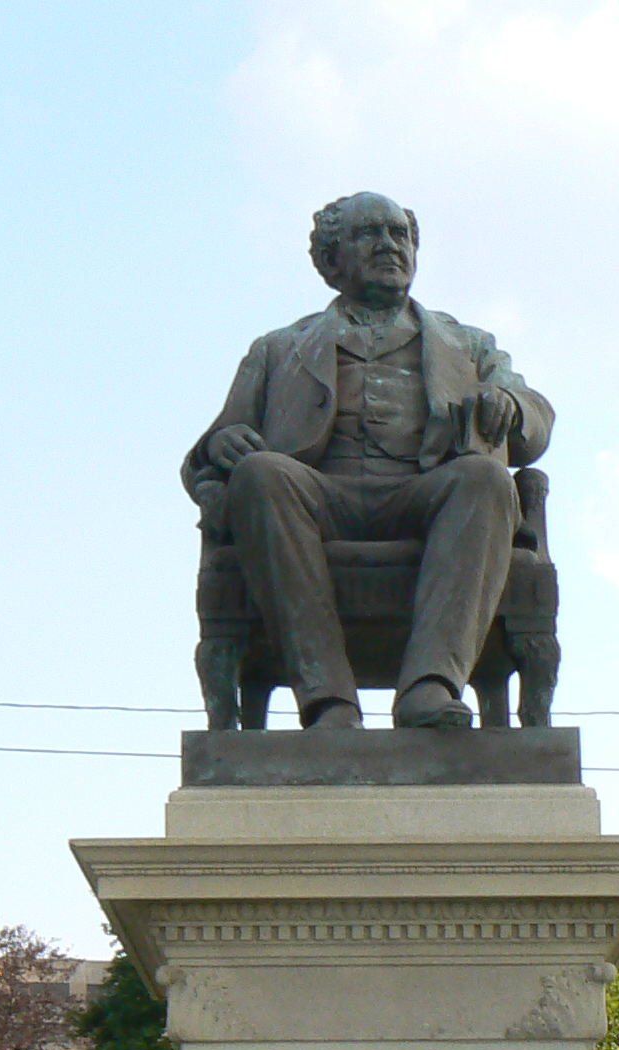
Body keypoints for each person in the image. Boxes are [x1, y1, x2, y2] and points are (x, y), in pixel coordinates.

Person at [182, 191, 553, 730]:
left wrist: (511, 406)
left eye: (399, 234)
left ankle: (431, 686)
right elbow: (209, 452)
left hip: (423, 494)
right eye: (369, 234)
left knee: (484, 477)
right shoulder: (278, 349)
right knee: (261, 473)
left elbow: (537, 421)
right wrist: (223, 445)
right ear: (332, 261)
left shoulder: (468, 345)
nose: (389, 245)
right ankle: (328, 701)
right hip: (316, 498)